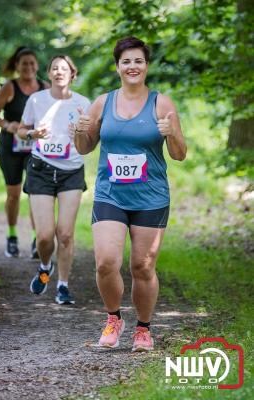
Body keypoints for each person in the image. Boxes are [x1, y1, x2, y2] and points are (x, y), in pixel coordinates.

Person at [74, 37, 187, 351]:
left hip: (151, 196)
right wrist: (78, 131)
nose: (132, 66)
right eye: (126, 61)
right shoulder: (103, 102)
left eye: (138, 61)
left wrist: (172, 132)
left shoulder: (161, 103)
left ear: (146, 66)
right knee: (106, 263)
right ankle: (113, 318)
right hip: (111, 194)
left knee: (143, 265)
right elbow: (85, 147)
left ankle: (143, 329)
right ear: (117, 66)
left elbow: (179, 154)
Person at [18, 55, 90, 305]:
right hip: (41, 170)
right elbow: (21, 129)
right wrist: (32, 133)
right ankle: (45, 267)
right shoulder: (36, 100)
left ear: (73, 73)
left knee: (66, 233)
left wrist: (80, 133)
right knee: (46, 236)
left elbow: (88, 144)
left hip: (71, 171)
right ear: (48, 73)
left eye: (64, 68)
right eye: (54, 68)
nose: (59, 72)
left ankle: (63, 286)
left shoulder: (83, 103)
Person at [0, 47, 49, 258]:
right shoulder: (10, 87)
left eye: (32, 63)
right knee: (13, 195)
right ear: (17, 66)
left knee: (35, 194)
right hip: (11, 149)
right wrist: (7, 125)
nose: (28, 67)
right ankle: (12, 237)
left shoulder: (44, 88)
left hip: (36, 149)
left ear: (37, 66)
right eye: (24, 63)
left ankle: (36, 240)